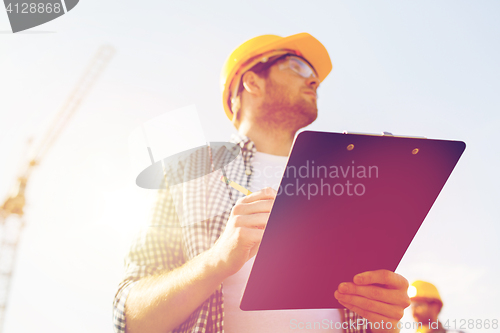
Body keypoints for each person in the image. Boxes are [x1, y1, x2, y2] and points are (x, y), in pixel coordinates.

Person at [113, 33, 411, 333]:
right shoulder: (187, 173)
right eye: (298, 67)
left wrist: (383, 322)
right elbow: (132, 320)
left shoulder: (345, 182)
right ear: (252, 82)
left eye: (315, 77)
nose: (313, 81)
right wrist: (217, 260)